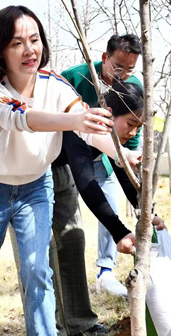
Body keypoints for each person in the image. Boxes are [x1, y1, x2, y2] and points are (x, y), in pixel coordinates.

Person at [0, 5, 121, 336]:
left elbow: (91, 129)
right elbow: (23, 119)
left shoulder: (55, 85)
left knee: (37, 269)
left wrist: (124, 155)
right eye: (17, 43)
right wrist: (75, 121)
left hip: (35, 189)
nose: (29, 49)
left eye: (34, 39)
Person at [19, 81, 164, 336]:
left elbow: (122, 168)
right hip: (31, 175)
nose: (133, 132)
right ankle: (53, 334)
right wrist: (119, 231)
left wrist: (147, 213)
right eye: (130, 123)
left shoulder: (113, 136)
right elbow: (87, 183)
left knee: (73, 240)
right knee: (42, 253)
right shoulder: (82, 126)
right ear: (109, 113)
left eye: (139, 126)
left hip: (60, 172)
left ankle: (80, 322)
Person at [61, 35, 143, 297]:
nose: (123, 76)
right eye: (118, 68)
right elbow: (85, 180)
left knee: (111, 203)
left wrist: (143, 207)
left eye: (130, 70)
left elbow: (126, 145)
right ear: (105, 58)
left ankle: (105, 271)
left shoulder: (132, 87)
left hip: (105, 151)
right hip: (65, 153)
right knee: (74, 218)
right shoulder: (74, 78)